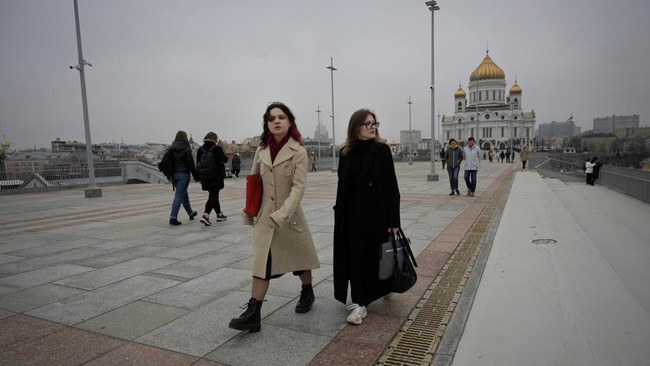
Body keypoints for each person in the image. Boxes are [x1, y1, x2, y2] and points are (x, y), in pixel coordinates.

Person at [229, 102, 320, 333]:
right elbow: (254, 183)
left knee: (301, 261)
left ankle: (307, 291)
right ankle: (254, 312)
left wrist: (283, 212)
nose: (276, 121)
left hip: (289, 217)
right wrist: (250, 211)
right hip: (264, 218)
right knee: (262, 264)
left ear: (290, 122)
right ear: (267, 124)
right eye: (271, 118)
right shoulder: (262, 150)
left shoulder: (298, 151)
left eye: (281, 117)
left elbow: (298, 188)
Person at [333, 108, 401, 325]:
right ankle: (361, 300)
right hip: (352, 216)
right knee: (355, 257)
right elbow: (342, 186)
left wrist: (394, 221)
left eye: (375, 123)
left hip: (376, 216)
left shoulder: (382, 151)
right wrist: (339, 214)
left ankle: (372, 294)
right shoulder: (346, 153)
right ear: (356, 127)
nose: (373, 127)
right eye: (368, 124)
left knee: (375, 257)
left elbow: (391, 186)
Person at [196, 132, 229, 226]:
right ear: (215, 139)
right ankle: (206, 215)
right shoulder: (216, 148)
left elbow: (197, 164)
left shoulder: (200, 149)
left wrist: (198, 177)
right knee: (213, 195)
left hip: (205, 176)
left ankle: (219, 214)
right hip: (216, 176)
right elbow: (225, 159)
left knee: (213, 194)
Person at [168, 130, 199, 225]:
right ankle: (173, 217)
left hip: (174, 175)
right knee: (179, 195)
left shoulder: (171, 148)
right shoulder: (186, 149)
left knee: (183, 194)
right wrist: (196, 177)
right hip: (183, 174)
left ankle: (190, 213)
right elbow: (191, 164)